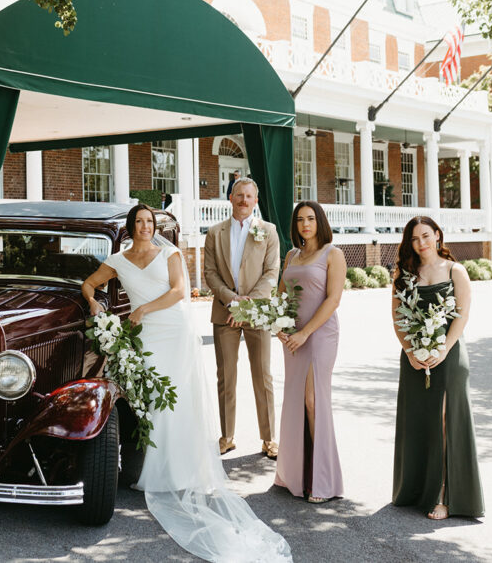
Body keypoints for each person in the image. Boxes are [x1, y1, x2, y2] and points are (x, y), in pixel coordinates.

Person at [81, 204, 291, 562]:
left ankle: (178, 472)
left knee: (175, 400)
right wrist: (93, 305)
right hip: (145, 337)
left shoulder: (171, 252)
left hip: (172, 328)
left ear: (154, 226)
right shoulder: (118, 259)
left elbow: (180, 291)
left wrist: (144, 309)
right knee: (153, 402)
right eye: (139, 222)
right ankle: (156, 470)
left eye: (149, 222)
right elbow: (89, 284)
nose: (145, 227)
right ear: (131, 227)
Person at [391, 216, 484, 520]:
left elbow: (464, 314)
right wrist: (409, 351)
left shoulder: (455, 270)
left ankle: (444, 497)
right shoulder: (404, 275)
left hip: (450, 354)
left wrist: (444, 348)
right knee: (421, 420)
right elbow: (397, 319)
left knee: (445, 419)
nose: (422, 243)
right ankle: (417, 490)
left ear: (438, 236)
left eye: (426, 236)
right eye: (415, 239)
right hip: (415, 358)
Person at [203, 177, 281, 458]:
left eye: (249, 196)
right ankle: (227, 436)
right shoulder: (214, 232)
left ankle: (270, 438)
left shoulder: (268, 232)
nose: (244, 201)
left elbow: (272, 273)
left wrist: (246, 305)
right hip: (224, 312)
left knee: (263, 376)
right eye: (239, 195)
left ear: (256, 201)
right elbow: (209, 273)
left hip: (257, 313)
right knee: (226, 376)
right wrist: (232, 301)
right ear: (231, 197)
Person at [274, 201, 346, 503]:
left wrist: (306, 333)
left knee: (314, 401)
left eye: (311, 218)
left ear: (320, 222)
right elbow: (280, 294)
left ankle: (324, 481)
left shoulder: (333, 253)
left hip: (320, 335)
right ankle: (295, 475)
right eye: (300, 219)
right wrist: (279, 326)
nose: (305, 224)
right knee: (295, 400)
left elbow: (333, 300)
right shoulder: (291, 255)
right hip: (292, 337)